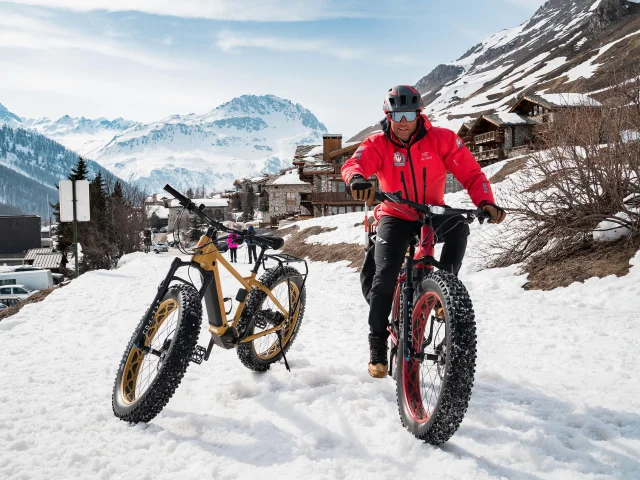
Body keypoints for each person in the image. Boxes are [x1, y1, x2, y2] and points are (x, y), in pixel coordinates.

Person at [341, 85, 507, 378]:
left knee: (459, 228)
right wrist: (357, 180)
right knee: (385, 275)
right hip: (395, 214)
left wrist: (486, 201)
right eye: (396, 114)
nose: (403, 121)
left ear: (419, 114)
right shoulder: (378, 144)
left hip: (432, 212)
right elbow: (355, 163)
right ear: (388, 115)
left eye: (408, 114)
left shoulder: (442, 139)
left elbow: (471, 173)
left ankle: (445, 291)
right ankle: (377, 345)